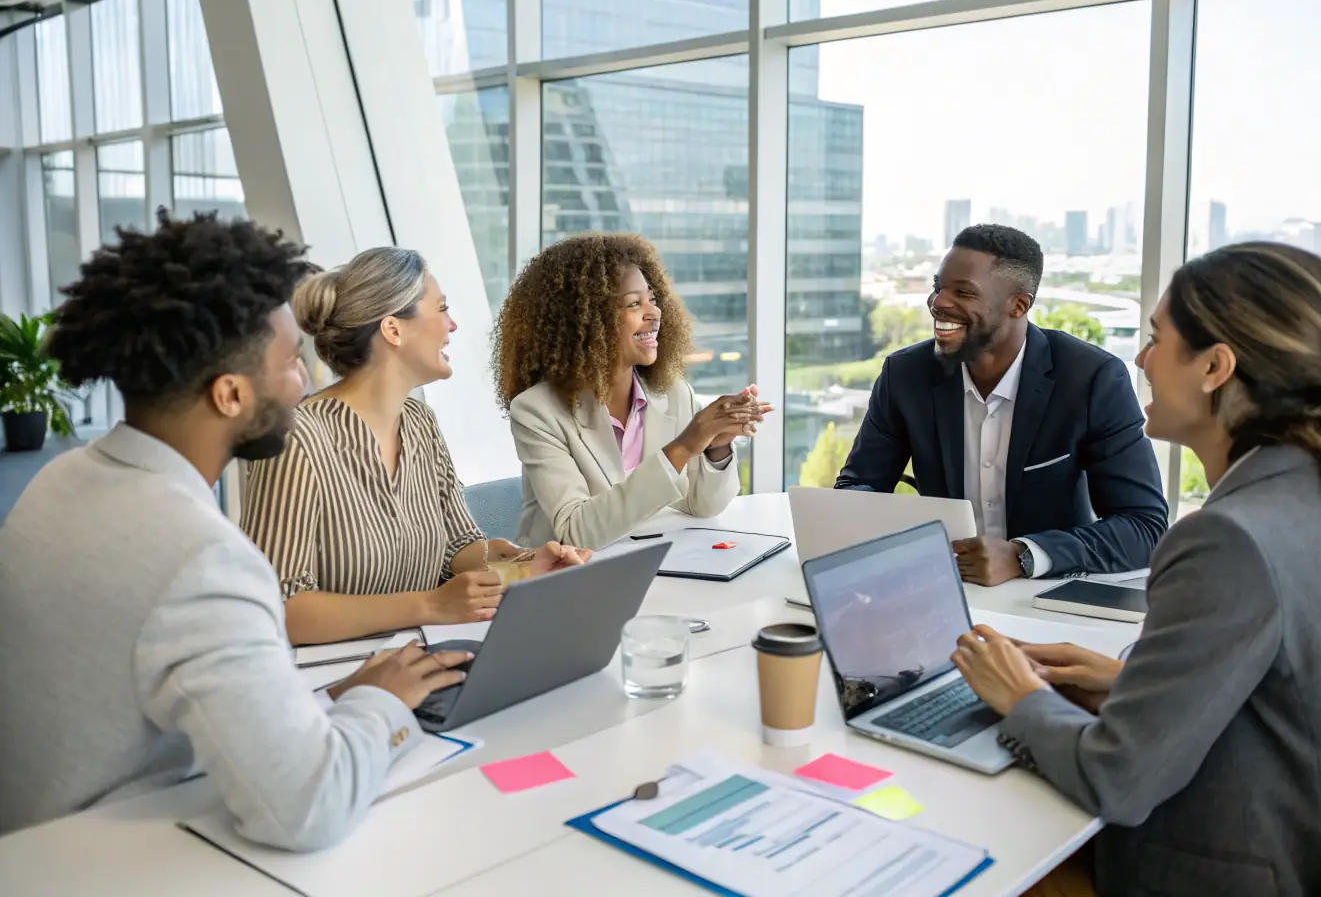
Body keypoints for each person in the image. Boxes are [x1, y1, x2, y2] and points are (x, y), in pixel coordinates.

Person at [0, 212, 470, 848]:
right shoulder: (202, 557)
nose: (304, 381)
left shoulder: (60, 481)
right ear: (229, 395)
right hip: (117, 858)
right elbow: (310, 808)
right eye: (288, 362)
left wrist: (331, 698)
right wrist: (381, 703)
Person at [952, 242, 1321, 897]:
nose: (1140, 360)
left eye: (1154, 339)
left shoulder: (1229, 538)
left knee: (959, 852)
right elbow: (1291, 692)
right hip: (1307, 843)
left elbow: (1117, 781)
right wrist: (1130, 684)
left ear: (1214, 367)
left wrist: (1019, 696)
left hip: (1215, 873)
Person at [241, 247, 588, 646]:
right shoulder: (299, 439)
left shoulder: (420, 424)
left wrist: (528, 565)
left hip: (418, 658)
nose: (452, 325)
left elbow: (458, 549)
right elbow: (279, 609)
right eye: (441, 309)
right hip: (329, 685)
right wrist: (428, 606)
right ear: (393, 330)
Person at [836, 224, 1167, 584]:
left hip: (1047, 594)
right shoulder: (905, 375)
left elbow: (1144, 528)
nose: (938, 302)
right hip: (939, 586)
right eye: (938, 288)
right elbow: (859, 486)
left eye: (963, 292)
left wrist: (1022, 556)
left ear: (1019, 305)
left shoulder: (1092, 379)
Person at [493, 233, 768, 550]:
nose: (654, 313)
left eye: (652, 299)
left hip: (651, 566)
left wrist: (716, 447)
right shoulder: (537, 410)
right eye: (634, 304)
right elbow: (577, 532)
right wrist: (682, 447)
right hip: (568, 580)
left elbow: (704, 506)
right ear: (585, 321)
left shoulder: (673, 393)